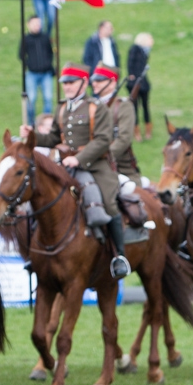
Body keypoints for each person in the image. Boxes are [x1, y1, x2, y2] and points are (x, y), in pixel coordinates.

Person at [27, 65, 129, 278]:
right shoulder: (63, 108)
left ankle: (119, 256)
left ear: (83, 83)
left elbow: (103, 140)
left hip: (97, 166)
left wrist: (79, 158)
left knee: (108, 203)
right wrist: (33, 136)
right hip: (66, 166)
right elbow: (54, 138)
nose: (67, 87)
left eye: (71, 82)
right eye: (64, 83)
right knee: (40, 200)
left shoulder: (97, 107)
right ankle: (36, 253)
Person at [92, 65, 140, 185]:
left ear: (112, 83)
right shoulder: (91, 106)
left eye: (100, 80)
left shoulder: (123, 106)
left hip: (119, 166)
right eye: (94, 80)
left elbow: (124, 139)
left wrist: (100, 157)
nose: (94, 83)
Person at [21, 15, 54, 125]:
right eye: (34, 24)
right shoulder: (26, 39)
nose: (37, 26)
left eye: (38, 24)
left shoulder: (45, 37)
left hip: (46, 73)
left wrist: (49, 64)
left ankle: (46, 123)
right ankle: (31, 123)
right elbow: (21, 55)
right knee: (32, 99)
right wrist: (29, 64)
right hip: (32, 73)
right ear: (29, 25)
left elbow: (50, 52)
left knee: (48, 98)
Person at [125, 33, 153, 141]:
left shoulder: (145, 51)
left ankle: (147, 130)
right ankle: (136, 131)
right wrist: (132, 76)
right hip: (135, 83)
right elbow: (130, 64)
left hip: (143, 82)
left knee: (145, 106)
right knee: (135, 107)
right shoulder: (135, 49)